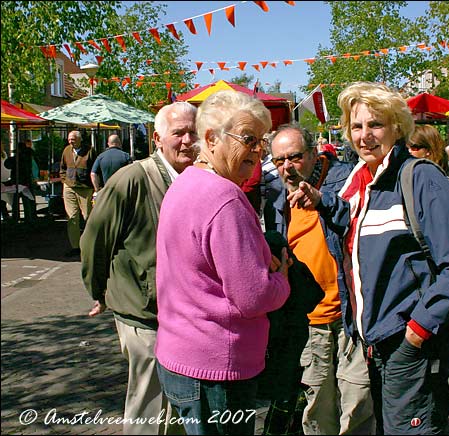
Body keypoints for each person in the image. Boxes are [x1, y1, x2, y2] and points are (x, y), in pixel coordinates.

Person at [287, 81, 449, 434]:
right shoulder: (360, 181)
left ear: (397, 126)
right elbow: (358, 224)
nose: (365, 135)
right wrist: (322, 202)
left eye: (375, 124)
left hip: (409, 345)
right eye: (357, 126)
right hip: (374, 344)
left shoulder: (420, 178)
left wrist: (417, 331)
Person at [154, 90, 291, 436]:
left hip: (180, 357)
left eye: (261, 141)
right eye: (248, 139)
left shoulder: (185, 183)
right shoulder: (224, 197)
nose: (258, 150)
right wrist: (282, 278)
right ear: (212, 138)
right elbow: (253, 297)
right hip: (216, 369)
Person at [80, 101, 199, 435]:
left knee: (179, 404)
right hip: (144, 314)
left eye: (194, 132)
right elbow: (94, 240)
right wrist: (97, 290)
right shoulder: (132, 179)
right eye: (179, 133)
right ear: (158, 139)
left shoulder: (198, 177)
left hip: (182, 314)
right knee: (150, 406)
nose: (188, 140)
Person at [267, 124, 375, 435]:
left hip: (349, 317)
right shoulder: (276, 195)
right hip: (310, 321)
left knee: (356, 401)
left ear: (314, 154)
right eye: (279, 160)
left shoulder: (347, 181)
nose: (287, 166)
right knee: (317, 405)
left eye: (295, 157)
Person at [60, 130, 96, 256]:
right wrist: (64, 180)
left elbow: (94, 169)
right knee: (72, 217)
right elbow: (62, 167)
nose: (70, 141)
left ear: (80, 139)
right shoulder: (66, 150)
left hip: (85, 188)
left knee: (87, 216)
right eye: (69, 139)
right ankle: (75, 246)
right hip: (69, 186)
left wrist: (94, 187)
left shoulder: (89, 151)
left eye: (73, 139)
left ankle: (88, 244)